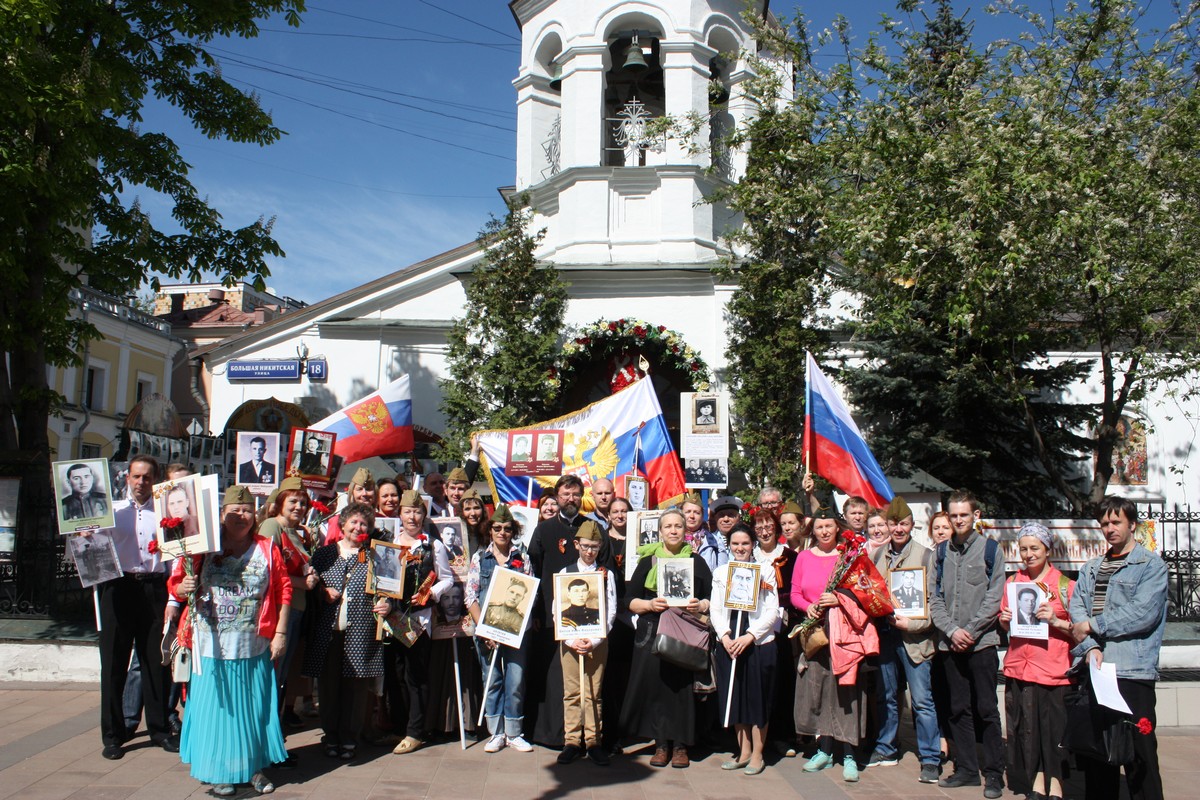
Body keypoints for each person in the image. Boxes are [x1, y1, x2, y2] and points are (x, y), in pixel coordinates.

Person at [167, 485, 291, 797]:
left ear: (256, 515)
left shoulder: (266, 547)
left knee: (253, 711)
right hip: (210, 648)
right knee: (217, 711)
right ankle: (219, 770)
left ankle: (253, 769)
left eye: (247, 510)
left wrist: (281, 632)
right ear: (222, 515)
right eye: (234, 511)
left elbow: (283, 589)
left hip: (253, 645)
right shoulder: (203, 547)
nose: (241, 516)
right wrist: (183, 587)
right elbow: (178, 587)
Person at [1069, 496, 1167, 800]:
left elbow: (1142, 613)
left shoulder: (1151, 566)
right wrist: (1088, 648)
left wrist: (1094, 627)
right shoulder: (1092, 568)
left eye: (1116, 522)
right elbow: (1077, 611)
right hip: (1096, 672)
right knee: (1098, 754)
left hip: (1131, 672)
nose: (1109, 528)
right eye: (1104, 524)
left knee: (1140, 753)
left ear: (1132, 524)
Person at [620, 508, 713, 769]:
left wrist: (700, 605)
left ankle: (681, 745)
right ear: (660, 532)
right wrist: (651, 605)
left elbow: (711, 598)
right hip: (653, 631)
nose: (673, 530)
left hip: (685, 633)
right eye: (668, 526)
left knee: (682, 688)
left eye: (678, 526)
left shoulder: (697, 562)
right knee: (658, 688)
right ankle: (661, 744)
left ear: (686, 530)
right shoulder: (647, 561)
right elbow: (630, 601)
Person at [98, 455, 177, 760]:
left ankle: (158, 730)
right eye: (136, 476)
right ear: (127, 478)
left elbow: (174, 557)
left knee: (154, 661)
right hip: (118, 587)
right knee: (115, 664)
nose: (141, 482)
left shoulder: (165, 513)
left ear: (154, 481)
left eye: (147, 477)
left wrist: (171, 599)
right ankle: (113, 735)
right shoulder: (112, 511)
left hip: (154, 588)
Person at [929, 489, 1006, 798]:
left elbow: (994, 596)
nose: (958, 519)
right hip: (950, 645)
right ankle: (966, 769)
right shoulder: (941, 553)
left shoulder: (990, 550)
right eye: (954, 515)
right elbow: (934, 598)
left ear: (975, 516)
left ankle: (994, 773)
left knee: (986, 708)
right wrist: (951, 629)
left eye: (964, 514)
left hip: (981, 644)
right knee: (958, 709)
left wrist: (970, 631)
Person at [303, 502, 393, 760]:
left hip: (361, 631)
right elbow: (309, 588)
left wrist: (387, 603)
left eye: (364, 523)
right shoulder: (324, 554)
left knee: (355, 688)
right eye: (353, 522)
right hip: (328, 631)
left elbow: (389, 589)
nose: (358, 527)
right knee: (328, 687)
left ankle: (350, 738)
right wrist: (322, 592)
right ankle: (330, 736)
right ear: (342, 525)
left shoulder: (376, 556)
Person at [792, 508, 875, 783]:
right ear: (812, 530)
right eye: (819, 527)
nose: (824, 531)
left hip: (844, 633)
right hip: (816, 632)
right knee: (817, 689)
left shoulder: (849, 557)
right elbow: (794, 593)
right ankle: (824, 749)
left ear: (837, 528)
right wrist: (810, 606)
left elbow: (865, 592)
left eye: (829, 526)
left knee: (846, 691)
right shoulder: (804, 557)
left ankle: (850, 753)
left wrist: (839, 600)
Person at [529, 474, 612, 747]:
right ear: (557, 496)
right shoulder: (544, 530)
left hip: (591, 623)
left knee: (593, 688)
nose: (570, 499)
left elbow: (606, 567)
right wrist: (540, 613)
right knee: (560, 683)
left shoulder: (591, 527)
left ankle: (593, 738)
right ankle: (560, 736)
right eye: (565, 494)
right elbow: (536, 570)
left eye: (575, 494)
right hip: (555, 620)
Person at [998, 522, 1075, 800]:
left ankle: (1056, 782)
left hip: (1053, 668)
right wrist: (1005, 622)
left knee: (1053, 729)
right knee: (1026, 730)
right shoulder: (1013, 583)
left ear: (1047, 549)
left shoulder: (1065, 585)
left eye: (1034, 548)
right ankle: (1035, 780)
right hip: (1020, 666)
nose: (1028, 554)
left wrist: (1055, 620)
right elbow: (1007, 626)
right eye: (1023, 549)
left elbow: (1077, 628)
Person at [868, 496, 941, 784]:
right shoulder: (876, 556)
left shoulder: (925, 556)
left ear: (912, 525)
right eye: (893, 523)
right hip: (886, 635)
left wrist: (915, 623)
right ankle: (887, 747)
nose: (898, 528)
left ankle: (930, 758)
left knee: (922, 700)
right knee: (886, 695)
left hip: (916, 638)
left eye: (903, 523)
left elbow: (935, 602)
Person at [376, 489, 455, 755]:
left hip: (418, 621)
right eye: (408, 511)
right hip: (391, 618)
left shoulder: (433, 545)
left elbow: (448, 579)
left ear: (424, 514)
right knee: (395, 675)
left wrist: (430, 593)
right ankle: (399, 727)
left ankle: (415, 731)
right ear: (399, 514)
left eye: (417, 511)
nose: (413, 517)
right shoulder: (388, 543)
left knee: (416, 676)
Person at [466, 504, 535, 753]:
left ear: (513, 531)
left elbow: (530, 594)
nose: (502, 532)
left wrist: (514, 627)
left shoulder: (522, 557)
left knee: (515, 680)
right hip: (487, 633)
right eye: (497, 528)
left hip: (516, 631)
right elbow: (470, 596)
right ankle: (495, 732)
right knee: (492, 680)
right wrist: (483, 629)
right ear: (490, 530)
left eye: (507, 528)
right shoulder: (479, 557)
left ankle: (514, 732)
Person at [713, 526, 780, 775]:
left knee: (757, 699)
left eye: (745, 543)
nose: (740, 548)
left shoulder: (766, 571)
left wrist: (750, 636)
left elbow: (772, 610)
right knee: (735, 696)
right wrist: (725, 636)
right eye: (735, 544)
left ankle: (758, 753)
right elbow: (716, 609)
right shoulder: (721, 572)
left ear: (753, 544)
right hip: (730, 642)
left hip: (757, 642)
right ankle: (743, 750)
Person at [258, 478, 319, 730]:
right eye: (293, 501)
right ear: (280, 502)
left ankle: (275, 733)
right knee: (273, 675)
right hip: (279, 611)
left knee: (281, 676)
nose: (299, 506)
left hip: (296, 611)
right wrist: (301, 582)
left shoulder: (298, 532)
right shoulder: (272, 525)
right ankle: (268, 734)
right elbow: (263, 569)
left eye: (303, 502)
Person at [556, 520, 617, 766]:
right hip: (569, 641)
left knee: (594, 693)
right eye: (585, 546)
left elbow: (610, 610)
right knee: (571, 692)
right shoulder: (564, 574)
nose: (590, 551)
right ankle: (572, 741)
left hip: (597, 641)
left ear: (600, 546)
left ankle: (593, 742)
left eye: (594, 546)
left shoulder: (606, 574)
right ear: (576, 545)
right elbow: (556, 610)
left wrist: (593, 641)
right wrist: (572, 640)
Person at [751, 507, 799, 756]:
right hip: (754, 626)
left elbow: (797, 588)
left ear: (777, 529)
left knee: (782, 679)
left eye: (768, 526)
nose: (764, 531)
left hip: (783, 627)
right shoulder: (749, 556)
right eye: (759, 527)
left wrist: (783, 605)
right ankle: (756, 736)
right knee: (757, 681)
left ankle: (783, 736)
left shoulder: (791, 556)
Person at [684, 493, 728, 572]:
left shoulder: (715, 541)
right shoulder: (674, 539)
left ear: (702, 516)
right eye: (688, 512)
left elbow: (722, 572)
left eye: (696, 512)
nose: (692, 516)